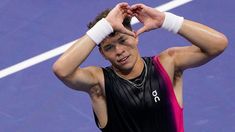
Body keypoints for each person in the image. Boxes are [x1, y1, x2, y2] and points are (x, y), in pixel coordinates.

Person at [52, 2, 228, 132]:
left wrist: (165, 20)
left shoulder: (168, 64)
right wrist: (104, 27)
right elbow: (62, 69)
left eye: (123, 40)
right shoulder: (99, 83)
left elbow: (218, 44)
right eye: (109, 47)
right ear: (103, 54)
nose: (119, 51)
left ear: (135, 36)